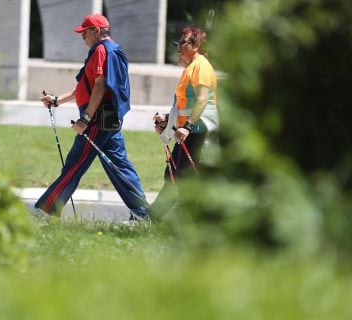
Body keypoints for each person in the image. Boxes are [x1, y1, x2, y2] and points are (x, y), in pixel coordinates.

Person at [34, 13, 151, 219]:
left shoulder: (100, 51)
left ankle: (45, 210)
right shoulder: (110, 49)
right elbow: (85, 87)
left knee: (75, 163)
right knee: (119, 165)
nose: (82, 36)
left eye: (85, 32)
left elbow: (99, 86)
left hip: (96, 119)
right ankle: (143, 214)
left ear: (97, 31)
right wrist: (57, 100)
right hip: (108, 118)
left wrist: (85, 119)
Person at [150, 25, 218, 221]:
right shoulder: (191, 68)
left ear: (196, 45)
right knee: (175, 174)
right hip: (189, 130)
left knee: (180, 177)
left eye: (183, 43)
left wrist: (187, 126)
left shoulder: (200, 67)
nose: (178, 48)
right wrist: (167, 120)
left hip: (197, 131)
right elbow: (184, 104)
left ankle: (154, 218)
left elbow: (202, 100)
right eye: (177, 43)